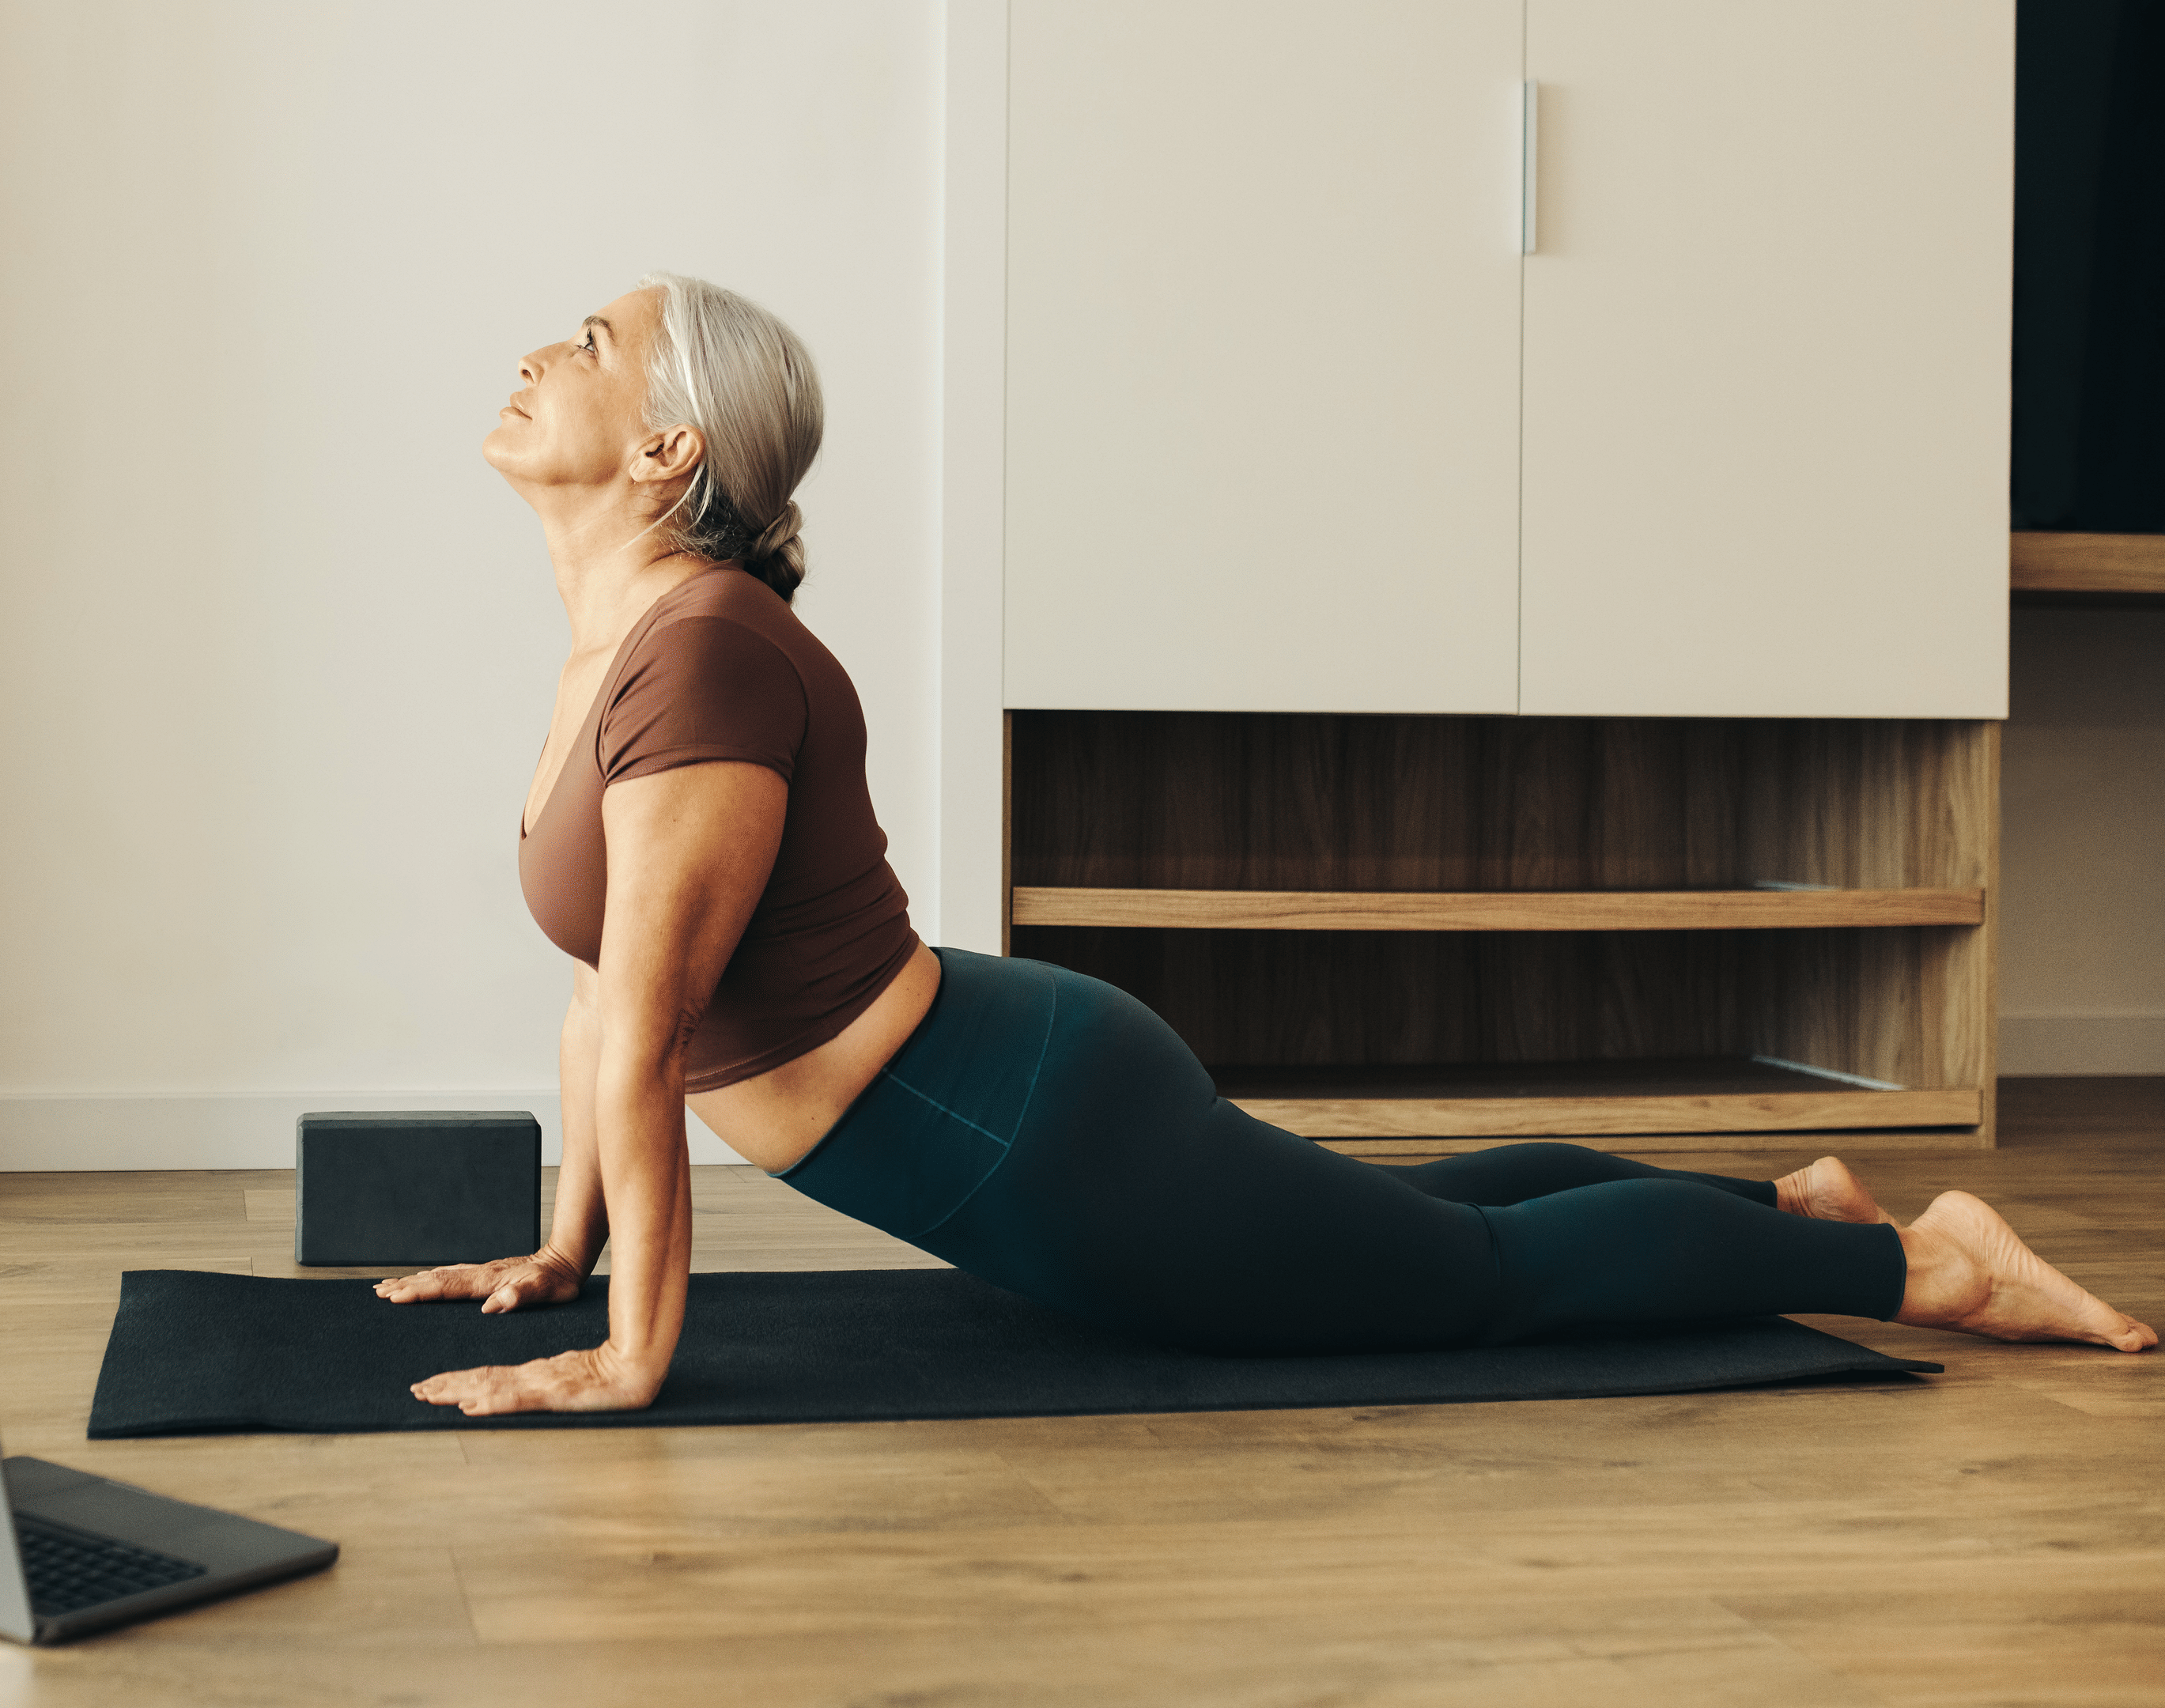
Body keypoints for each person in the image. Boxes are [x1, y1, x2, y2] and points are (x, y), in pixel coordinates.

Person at [378, 273, 2156, 1416]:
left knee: (1472, 1287)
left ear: (671, 444)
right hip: (1017, 1095)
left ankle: (1916, 1262)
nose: (539, 348)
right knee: (1393, 1222)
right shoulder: (632, 650)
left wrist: (630, 1357)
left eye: (591, 343)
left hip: (1036, 1131)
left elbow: (646, 1021)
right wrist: (565, 1252)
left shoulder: (697, 655)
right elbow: (615, 1011)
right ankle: (1784, 1200)